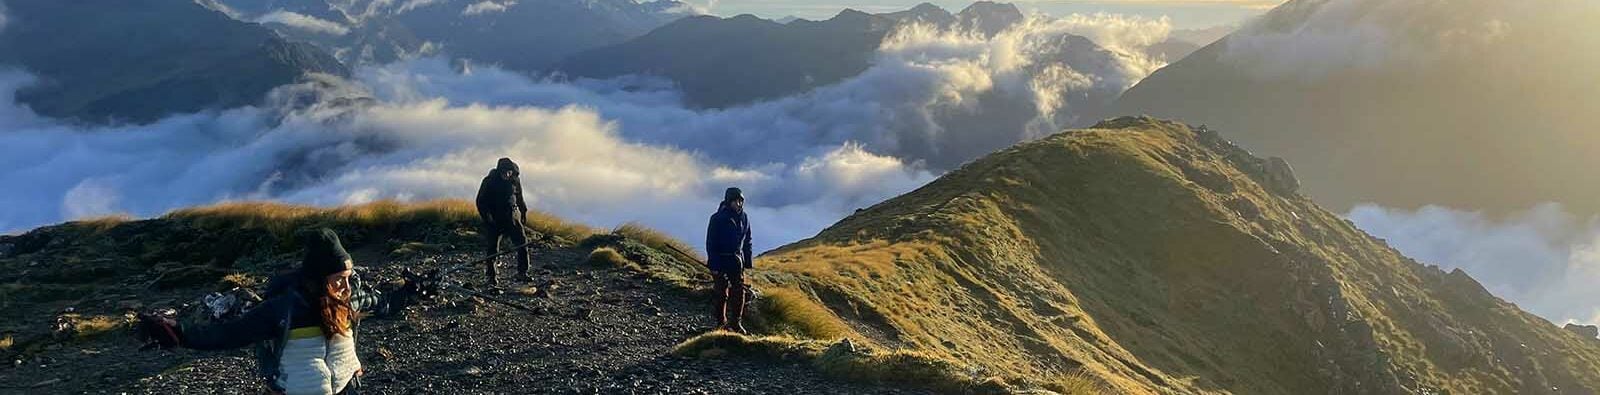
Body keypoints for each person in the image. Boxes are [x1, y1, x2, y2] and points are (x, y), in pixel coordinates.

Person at [136, 228, 416, 395]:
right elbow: (229, 334)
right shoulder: (284, 309)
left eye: (348, 276)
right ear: (318, 278)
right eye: (338, 279)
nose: (346, 285)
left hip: (346, 388)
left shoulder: (348, 300)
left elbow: (382, 304)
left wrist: (412, 292)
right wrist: (178, 332)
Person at [475, 157, 533, 286]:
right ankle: (491, 277)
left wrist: (523, 212)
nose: (507, 174)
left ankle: (522, 272)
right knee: (492, 249)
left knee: (522, 243)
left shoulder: (514, 180)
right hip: (494, 219)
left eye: (509, 172)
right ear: (499, 171)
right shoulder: (489, 182)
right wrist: (487, 218)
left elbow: (519, 197)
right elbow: (480, 202)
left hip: (512, 217)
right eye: (505, 172)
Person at [705, 187, 754, 333]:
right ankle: (721, 323)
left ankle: (736, 323)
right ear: (728, 201)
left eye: (741, 201)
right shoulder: (717, 218)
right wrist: (714, 264)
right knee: (721, 293)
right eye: (736, 201)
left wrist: (748, 261)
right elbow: (711, 243)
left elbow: (747, 240)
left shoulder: (744, 217)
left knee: (739, 292)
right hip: (720, 259)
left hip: (736, 261)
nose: (739, 204)